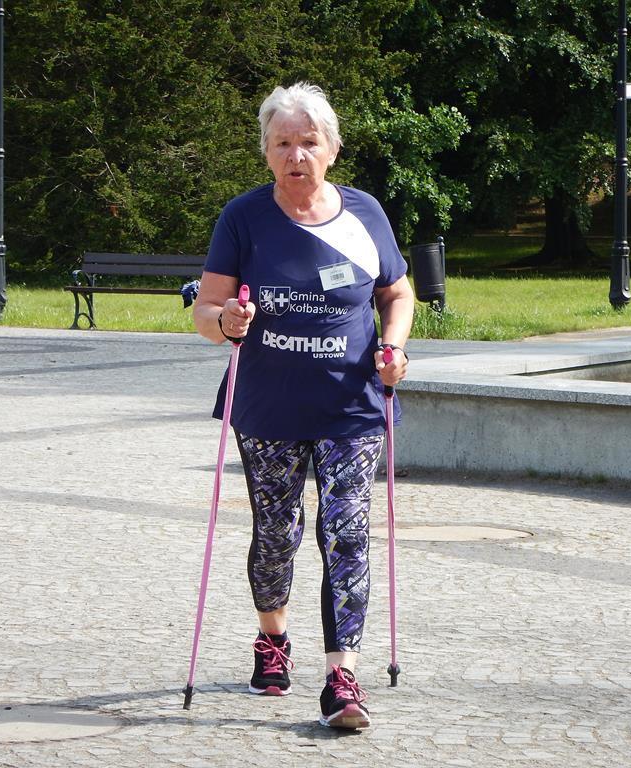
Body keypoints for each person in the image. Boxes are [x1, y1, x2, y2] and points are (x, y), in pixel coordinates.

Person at [193, 82, 414, 730]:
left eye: (309, 142)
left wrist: (395, 348)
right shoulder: (244, 218)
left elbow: (397, 293)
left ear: (332, 149)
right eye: (283, 143)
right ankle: (272, 637)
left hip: (352, 404)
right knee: (276, 533)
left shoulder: (365, 213)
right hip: (269, 405)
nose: (296, 155)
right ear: (266, 151)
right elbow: (206, 310)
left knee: (346, 533)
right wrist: (226, 322)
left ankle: (342, 677)